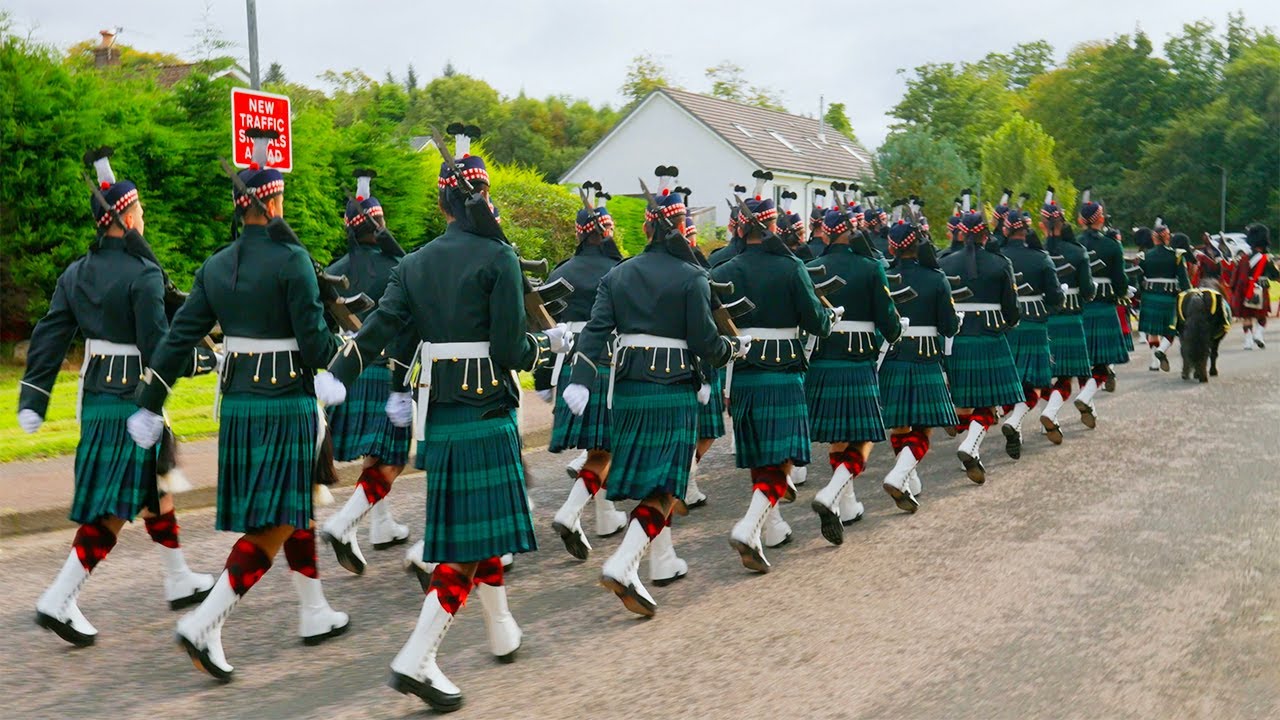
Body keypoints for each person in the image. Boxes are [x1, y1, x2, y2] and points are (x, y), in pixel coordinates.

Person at [318, 140, 564, 710]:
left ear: (441, 206)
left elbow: (379, 329)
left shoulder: (413, 263)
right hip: (486, 412)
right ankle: (418, 657)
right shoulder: (499, 258)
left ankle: (501, 627)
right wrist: (550, 344)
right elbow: (509, 350)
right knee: (465, 547)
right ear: (484, 198)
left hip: (440, 414)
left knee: (479, 531)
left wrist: (338, 373)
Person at [127, 133, 349, 680]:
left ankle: (314, 609)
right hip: (286, 406)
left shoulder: (216, 265)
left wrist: (151, 401)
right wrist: (342, 352)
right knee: (276, 523)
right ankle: (205, 621)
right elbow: (315, 344)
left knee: (291, 509)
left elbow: (178, 339)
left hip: (241, 408)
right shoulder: (293, 261)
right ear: (275, 202)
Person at [23, 148, 217, 647]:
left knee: (153, 485)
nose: (144, 217)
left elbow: (49, 335)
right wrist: (203, 359)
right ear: (127, 218)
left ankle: (177, 576)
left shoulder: (75, 273)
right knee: (113, 507)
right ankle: (58, 597)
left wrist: (33, 397)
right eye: (141, 210)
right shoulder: (143, 274)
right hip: (135, 399)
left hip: (95, 398)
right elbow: (158, 348)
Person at [561, 187, 744, 613]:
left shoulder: (619, 274)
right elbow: (704, 341)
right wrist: (731, 351)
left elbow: (595, 331)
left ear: (646, 229)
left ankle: (662, 560)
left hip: (627, 389)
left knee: (650, 481)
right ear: (681, 228)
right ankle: (624, 563)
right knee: (665, 487)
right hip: (672, 387)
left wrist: (581, 379)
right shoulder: (692, 276)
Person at [712, 193, 836, 572]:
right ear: (771, 226)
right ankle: (749, 527)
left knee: (761, 456)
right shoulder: (791, 266)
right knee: (781, 460)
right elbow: (816, 323)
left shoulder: (723, 270)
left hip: (743, 371)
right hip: (783, 369)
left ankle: (772, 526)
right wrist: (829, 318)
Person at [319, 170, 413, 575]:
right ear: (381, 224)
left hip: (347, 370)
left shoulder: (334, 269)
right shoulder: (399, 266)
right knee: (392, 457)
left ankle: (381, 525)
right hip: (385, 369)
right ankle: (344, 522)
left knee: (377, 454)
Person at [805, 210, 902, 544]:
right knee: (864, 436)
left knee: (838, 437)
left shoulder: (810, 268)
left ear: (824, 233)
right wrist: (895, 332)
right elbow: (886, 317)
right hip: (858, 360)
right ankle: (832, 492)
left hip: (821, 360)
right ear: (853, 231)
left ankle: (846, 503)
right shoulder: (870, 267)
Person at [542, 196, 628, 559]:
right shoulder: (621, 270)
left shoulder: (559, 272)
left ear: (579, 234)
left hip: (567, 363)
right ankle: (571, 511)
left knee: (599, 448)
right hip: (607, 360)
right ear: (607, 232)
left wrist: (544, 377)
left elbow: (545, 325)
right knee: (608, 448)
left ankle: (606, 515)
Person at [876, 208, 960, 511]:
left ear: (892, 247)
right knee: (923, 428)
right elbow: (949, 326)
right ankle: (900, 475)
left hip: (891, 355)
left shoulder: (883, 277)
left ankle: (907, 477)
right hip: (925, 356)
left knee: (899, 425)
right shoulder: (936, 278)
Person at [938, 204, 1022, 484]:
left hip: (956, 337)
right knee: (988, 401)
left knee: (965, 399)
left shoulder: (945, 263)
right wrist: (1010, 323)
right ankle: (970, 445)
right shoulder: (1000, 263)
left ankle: (967, 440)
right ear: (986, 234)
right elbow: (1011, 310)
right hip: (990, 336)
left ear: (961, 234)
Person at [998, 210, 1064, 457]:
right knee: (1034, 383)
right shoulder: (1040, 257)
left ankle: (1011, 426)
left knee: (1010, 381)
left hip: (1005, 322)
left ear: (1006, 230)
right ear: (1026, 230)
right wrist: (1050, 307)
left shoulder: (998, 256)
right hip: (1035, 322)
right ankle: (1015, 420)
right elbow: (1055, 296)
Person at [1040, 213, 1096, 441]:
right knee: (1068, 374)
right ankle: (1050, 412)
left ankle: (1049, 417)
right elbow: (1087, 289)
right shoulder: (1077, 251)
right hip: (1071, 317)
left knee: (1046, 374)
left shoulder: (1038, 251)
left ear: (1044, 226)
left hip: (1045, 317)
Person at [1077, 195, 1131, 396]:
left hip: (1081, 304)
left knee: (1085, 353)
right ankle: (1103, 373)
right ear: (1101, 219)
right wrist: (1122, 293)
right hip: (1105, 304)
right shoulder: (1112, 245)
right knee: (1103, 352)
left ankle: (1092, 381)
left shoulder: (1075, 244)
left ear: (1081, 221)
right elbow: (1120, 279)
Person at [1136, 222, 1191, 372]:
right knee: (1171, 329)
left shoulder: (1144, 256)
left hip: (1149, 296)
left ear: (1154, 238)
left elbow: (1139, 278)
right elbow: (1184, 280)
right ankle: (1162, 350)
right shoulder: (1177, 255)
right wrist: (1188, 294)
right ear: (1168, 238)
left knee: (1152, 331)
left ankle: (1154, 362)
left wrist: (1141, 293)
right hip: (1169, 297)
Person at [1229, 223, 1278, 349]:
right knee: (1262, 316)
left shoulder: (1243, 259)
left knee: (1247, 316)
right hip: (1261, 288)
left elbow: (1235, 277)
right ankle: (1258, 334)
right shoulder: (1266, 259)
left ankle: (1248, 340)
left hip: (1245, 290)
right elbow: (1275, 276)